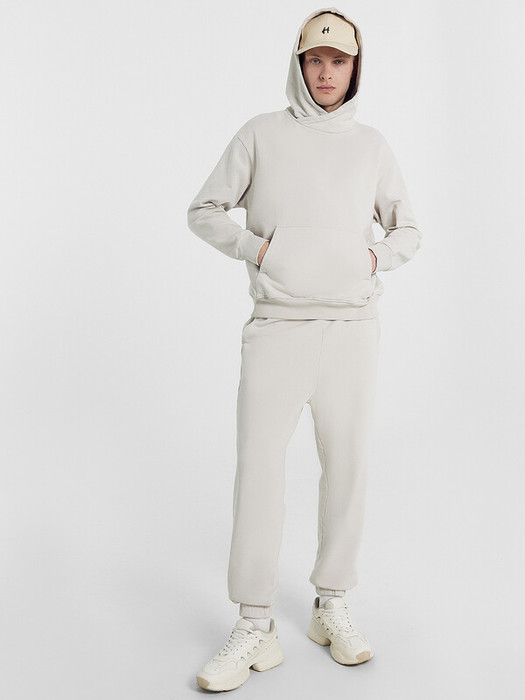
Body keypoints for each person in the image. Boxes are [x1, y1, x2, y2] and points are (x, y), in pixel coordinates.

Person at [187, 6, 422, 692]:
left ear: (354, 68)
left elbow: (408, 230)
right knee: (259, 470)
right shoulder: (260, 134)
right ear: (299, 64)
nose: (325, 73)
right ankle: (255, 623)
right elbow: (203, 210)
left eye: (337, 61)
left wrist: (371, 259)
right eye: (314, 60)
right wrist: (259, 248)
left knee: (346, 467)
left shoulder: (371, 145)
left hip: (351, 330)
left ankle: (331, 604)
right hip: (277, 328)